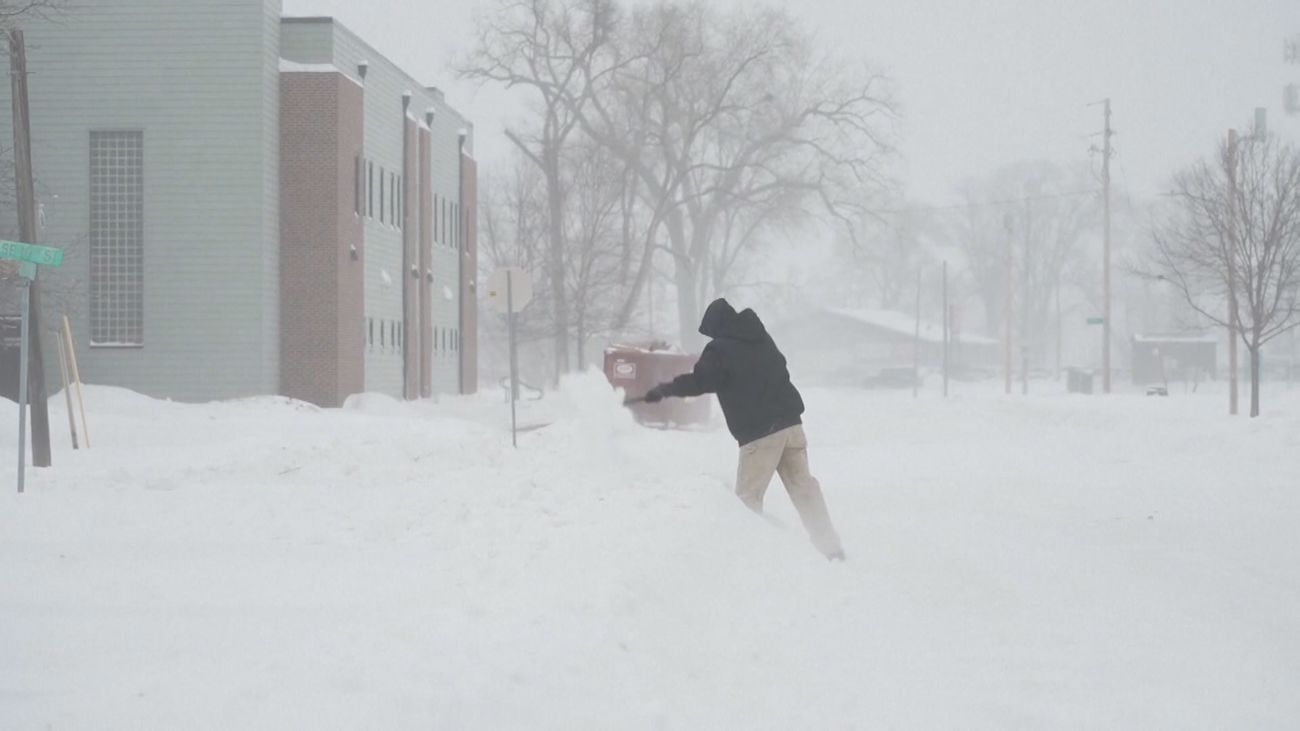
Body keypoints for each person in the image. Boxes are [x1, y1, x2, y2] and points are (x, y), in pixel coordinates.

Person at [645, 298, 845, 561]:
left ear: (716, 326)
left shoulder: (720, 350)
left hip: (761, 434)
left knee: (746, 502)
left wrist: (665, 389)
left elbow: (701, 381)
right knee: (804, 489)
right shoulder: (761, 338)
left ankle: (745, 560)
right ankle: (830, 549)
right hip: (791, 425)